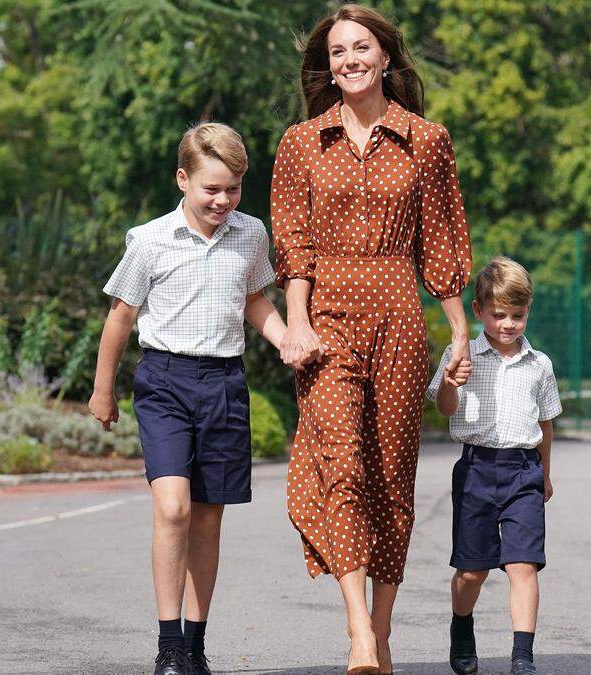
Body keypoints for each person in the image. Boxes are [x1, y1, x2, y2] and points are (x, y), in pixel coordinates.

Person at [271, 5, 473, 673]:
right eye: (337, 51)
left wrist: (460, 331)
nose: (350, 59)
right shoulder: (302, 142)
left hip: (399, 316)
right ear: (327, 65)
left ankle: (381, 630)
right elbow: (293, 244)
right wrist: (296, 321)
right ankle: (358, 628)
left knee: (392, 476)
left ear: (385, 56)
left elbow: (441, 240)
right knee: (344, 466)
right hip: (326, 317)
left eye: (362, 47)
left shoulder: (427, 139)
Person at [89, 122, 289, 675]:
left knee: (207, 517)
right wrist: (104, 388)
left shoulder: (251, 234)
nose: (223, 200)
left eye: (233, 189)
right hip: (164, 382)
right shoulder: (149, 240)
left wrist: (287, 338)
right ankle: (168, 643)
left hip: (224, 382)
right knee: (173, 507)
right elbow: (121, 316)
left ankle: (196, 645)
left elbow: (256, 300)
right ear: (183, 180)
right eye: (211, 189)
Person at [427, 257, 561, 675]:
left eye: (517, 315)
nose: (508, 324)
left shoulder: (539, 365)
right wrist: (451, 382)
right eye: (498, 314)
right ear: (478, 311)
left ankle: (522, 655)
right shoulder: (461, 354)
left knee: (523, 565)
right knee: (472, 571)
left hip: (524, 471)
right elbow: (445, 409)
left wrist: (546, 474)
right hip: (476, 471)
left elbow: (545, 424)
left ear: (528, 311)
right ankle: (462, 627)